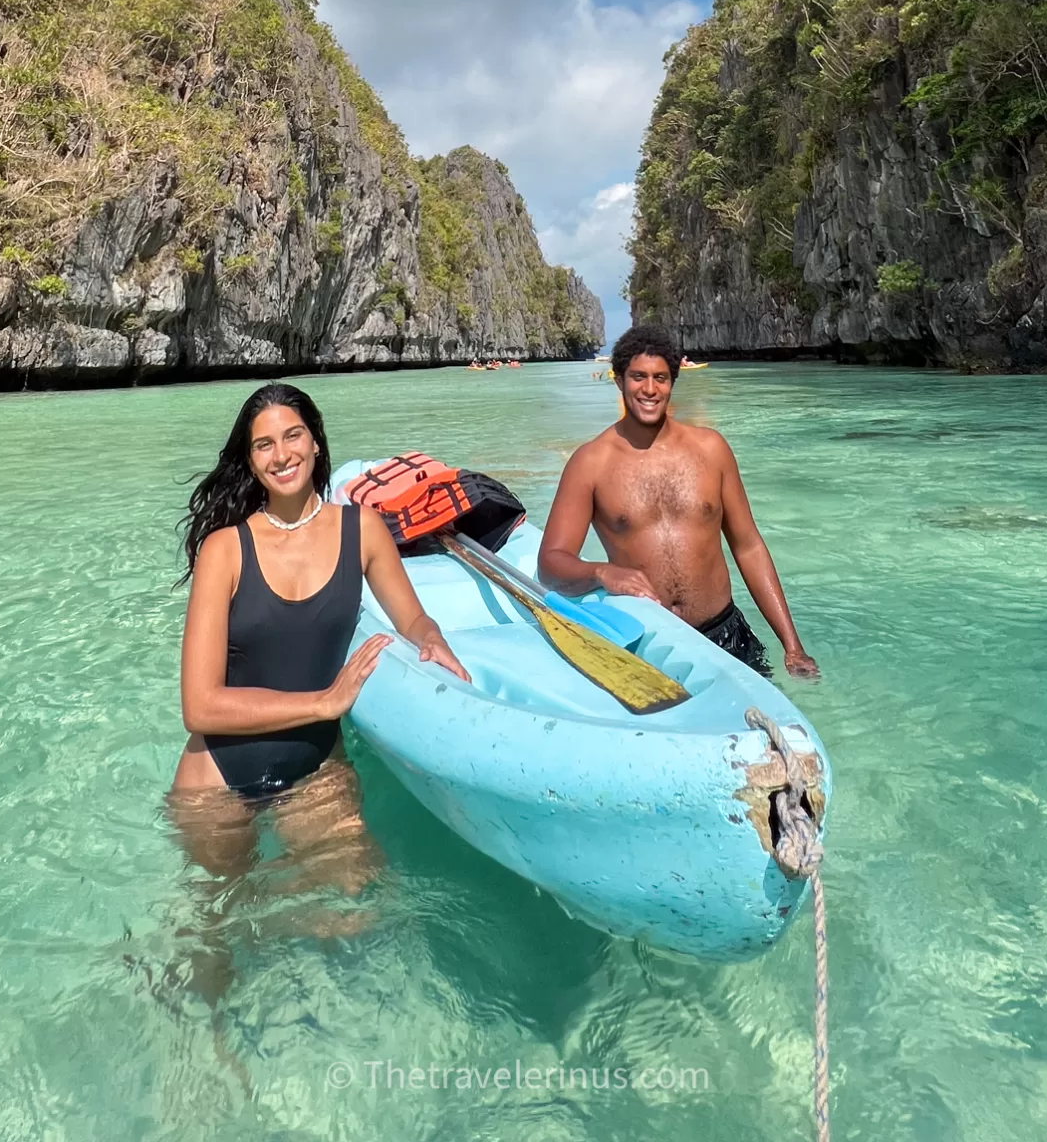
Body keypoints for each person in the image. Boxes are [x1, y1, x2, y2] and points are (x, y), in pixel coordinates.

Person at [171, 382, 469, 813]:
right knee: (231, 886)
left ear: (314, 441)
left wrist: (431, 638)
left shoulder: (363, 529)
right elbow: (199, 707)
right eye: (263, 445)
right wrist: (325, 701)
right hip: (216, 779)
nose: (282, 455)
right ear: (252, 463)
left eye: (293, 435)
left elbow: (413, 620)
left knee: (357, 879)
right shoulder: (225, 550)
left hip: (316, 770)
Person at [537, 324, 819, 679]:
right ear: (618, 380)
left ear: (673, 382)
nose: (650, 389)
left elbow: (748, 547)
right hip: (649, 643)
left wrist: (792, 645)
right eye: (638, 377)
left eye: (661, 378)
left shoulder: (711, 449)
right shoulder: (589, 463)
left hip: (725, 635)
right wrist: (601, 572)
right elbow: (550, 564)